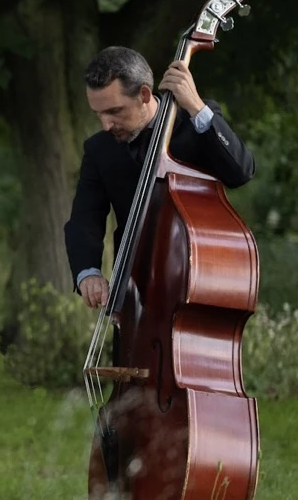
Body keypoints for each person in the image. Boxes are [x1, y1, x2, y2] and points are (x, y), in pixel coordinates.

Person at [64, 46, 255, 307]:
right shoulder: (99, 149)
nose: (105, 125)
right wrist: (88, 273)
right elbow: (84, 219)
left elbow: (241, 171)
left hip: (195, 290)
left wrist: (197, 108)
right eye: (98, 114)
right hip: (132, 298)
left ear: (144, 94)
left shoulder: (194, 123)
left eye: (114, 111)